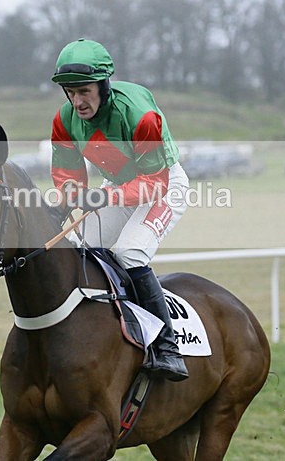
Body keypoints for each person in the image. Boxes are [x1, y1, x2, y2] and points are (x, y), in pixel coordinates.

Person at [49, 38, 190, 382]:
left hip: (163, 186)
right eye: (70, 92)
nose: (77, 101)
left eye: (84, 91)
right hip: (118, 188)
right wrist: (65, 204)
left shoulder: (139, 116)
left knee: (128, 253)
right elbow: (67, 175)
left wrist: (101, 198)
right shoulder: (64, 119)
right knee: (85, 252)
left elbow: (153, 184)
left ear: (103, 84)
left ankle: (166, 346)